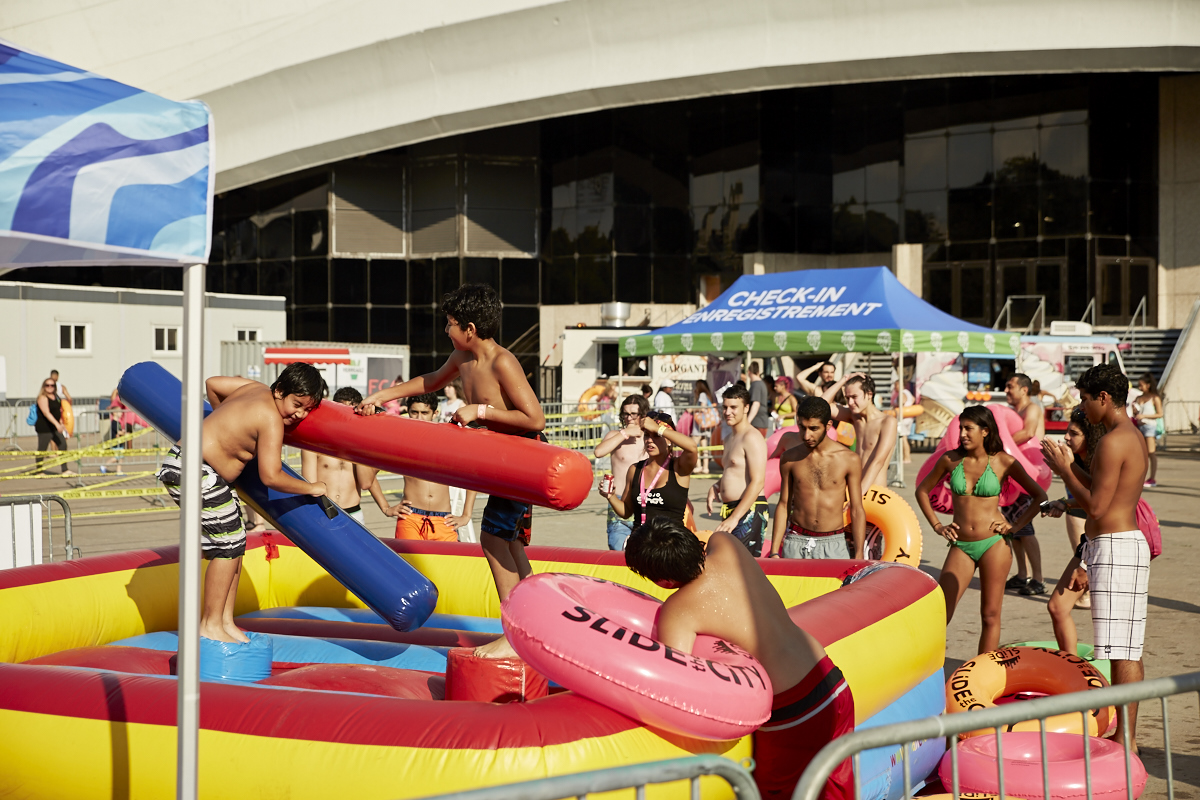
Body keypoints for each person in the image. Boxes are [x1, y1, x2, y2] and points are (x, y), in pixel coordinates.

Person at [356, 284, 545, 658]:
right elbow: (431, 380)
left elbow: (534, 418)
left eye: (450, 323)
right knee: (508, 542)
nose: (446, 330)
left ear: (470, 329)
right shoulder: (462, 357)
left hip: (521, 458)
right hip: (500, 461)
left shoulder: (502, 362)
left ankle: (516, 633)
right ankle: (536, 623)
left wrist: (480, 411)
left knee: (493, 540)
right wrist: (382, 396)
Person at [624, 518, 855, 800]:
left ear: (664, 581)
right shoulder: (727, 545)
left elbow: (677, 684)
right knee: (838, 790)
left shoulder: (677, 612)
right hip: (831, 679)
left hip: (794, 711)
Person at [157, 362, 327, 644]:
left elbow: (212, 383)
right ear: (280, 390)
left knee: (235, 544)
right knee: (227, 546)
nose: (299, 414)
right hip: (196, 469)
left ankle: (225, 620)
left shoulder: (253, 388)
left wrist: (225, 422)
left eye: (307, 410)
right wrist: (311, 487)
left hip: (191, 464)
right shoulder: (271, 419)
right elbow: (271, 476)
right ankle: (210, 623)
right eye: (297, 404)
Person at [1041, 362, 1149, 751]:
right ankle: (1126, 735)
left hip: (1115, 546)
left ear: (1104, 397)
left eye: (1086, 399)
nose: (1083, 408)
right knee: (1125, 648)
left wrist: (1064, 469)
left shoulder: (1112, 441)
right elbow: (1102, 490)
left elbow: (1098, 507)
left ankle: (1127, 737)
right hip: (1120, 544)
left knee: (1122, 651)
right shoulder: (1129, 436)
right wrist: (1071, 470)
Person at [916, 405, 1046, 654]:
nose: (962, 434)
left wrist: (1015, 526)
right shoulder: (950, 459)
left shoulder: (1004, 461)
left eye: (969, 428)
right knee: (940, 611)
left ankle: (983, 669)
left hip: (994, 544)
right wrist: (937, 526)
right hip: (961, 545)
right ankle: (926, 666)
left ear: (985, 431)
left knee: (990, 614)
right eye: (960, 428)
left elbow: (1040, 496)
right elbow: (922, 490)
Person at [1043, 407, 1107, 652]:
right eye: (1067, 432)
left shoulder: (1102, 462)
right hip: (1090, 541)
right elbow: (1089, 498)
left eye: (1074, 433)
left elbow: (1100, 508)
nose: (1066, 437)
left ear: (1090, 437)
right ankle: (1071, 666)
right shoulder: (1080, 460)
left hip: (1107, 542)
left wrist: (1085, 565)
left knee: (1106, 621)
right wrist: (1065, 503)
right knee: (1057, 607)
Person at [770, 396, 865, 560]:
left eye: (813, 428)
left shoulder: (849, 459)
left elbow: (856, 509)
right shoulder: (789, 458)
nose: (806, 435)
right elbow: (783, 504)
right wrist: (774, 551)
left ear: (828, 425)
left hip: (833, 544)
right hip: (796, 541)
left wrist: (859, 553)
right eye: (802, 427)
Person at [378, 392, 478, 540]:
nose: (419, 418)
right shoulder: (401, 442)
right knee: (408, 558)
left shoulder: (448, 441)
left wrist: (466, 515)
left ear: (435, 413)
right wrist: (385, 508)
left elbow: (473, 472)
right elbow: (367, 475)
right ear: (408, 412)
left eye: (424, 413)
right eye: (414, 412)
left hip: (444, 520)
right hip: (410, 519)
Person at [300, 387, 400, 525]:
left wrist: (385, 508)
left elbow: (366, 482)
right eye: (343, 413)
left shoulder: (363, 445)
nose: (347, 419)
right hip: (322, 511)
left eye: (353, 415)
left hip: (353, 514)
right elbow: (309, 486)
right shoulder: (315, 443)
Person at [600, 410, 698, 532]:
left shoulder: (679, 467)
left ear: (669, 440)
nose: (650, 440)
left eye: (656, 436)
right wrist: (611, 496)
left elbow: (692, 447)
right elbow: (626, 512)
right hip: (641, 541)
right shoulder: (635, 469)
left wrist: (658, 428)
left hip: (671, 542)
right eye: (647, 435)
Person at [706, 384, 769, 554]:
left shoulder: (752, 437)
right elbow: (734, 471)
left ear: (746, 408)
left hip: (749, 509)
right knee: (728, 561)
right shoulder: (728, 438)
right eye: (725, 407)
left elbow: (758, 481)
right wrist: (717, 485)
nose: (728, 412)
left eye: (734, 407)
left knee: (742, 564)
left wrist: (735, 518)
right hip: (732, 509)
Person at [1003, 372, 1046, 596]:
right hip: (1013, 476)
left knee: (1026, 529)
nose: (1006, 390)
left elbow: (1028, 433)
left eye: (1010, 386)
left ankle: (1038, 579)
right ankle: (1022, 574)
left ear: (1024, 389)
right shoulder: (1012, 412)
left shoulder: (1032, 409)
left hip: (1029, 476)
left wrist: (997, 446)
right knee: (1014, 529)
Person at [822, 373, 897, 492]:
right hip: (856, 487)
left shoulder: (887, 422)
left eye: (854, 397)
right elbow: (821, 405)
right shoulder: (854, 418)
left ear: (869, 394)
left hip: (875, 491)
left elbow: (878, 461)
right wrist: (844, 379)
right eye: (847, 398)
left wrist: (859, 494)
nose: (850, 402)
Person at [593, 394, 650, 550]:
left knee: (647, 551)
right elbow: (598, 452)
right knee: (617, 547)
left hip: (645, 500)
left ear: (643, 414)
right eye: (626, 414)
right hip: (619, 499)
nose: (629, 418)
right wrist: (625, 434)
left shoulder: (650, 439)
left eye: (634, 414)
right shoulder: (615, 435)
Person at [34, 375, 75, 476]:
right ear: (44, 386)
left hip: (55, 426)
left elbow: (58, 412)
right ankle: (39, 471)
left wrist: (61, 423)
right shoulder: (42, 397)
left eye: (52, 385)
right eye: (47, 385)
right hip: (44, 427)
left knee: (63, 444)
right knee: (42, 449)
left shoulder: (56, 397)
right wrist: (57, 425)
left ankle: (65, 470)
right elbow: (46, 413)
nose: (50, 387)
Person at [1130, 372, 1162, 488]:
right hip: (1139, 426)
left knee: (1151, 452)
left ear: (1148, 385)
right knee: (1141, 454)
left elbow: (1160, 414)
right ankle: (1140, 477)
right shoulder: (1138, 398)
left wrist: (1144, 416)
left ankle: (1152, 478)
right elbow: (1136, 414)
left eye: (1141, 385)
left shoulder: (1154, 398)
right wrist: (1135, 412)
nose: (1139, 387)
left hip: (1149, 426)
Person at [691, 379, 719, 473]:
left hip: (700, 426)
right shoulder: (707, 395)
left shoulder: (702, 395)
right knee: (704, 447)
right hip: (705, 425)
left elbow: (702, 408)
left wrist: (692, 409)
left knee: (693, 445)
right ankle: (705, 467)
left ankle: (699, 466)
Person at [891, 378, 915, 464]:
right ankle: (906, 456)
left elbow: (901, 402)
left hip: (903, 419)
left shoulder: (902, 393)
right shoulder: (908, 392)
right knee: (904, 438)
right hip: (908, 418)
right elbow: (913, 399)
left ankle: (906, 457)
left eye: (896, 385)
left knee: (903, 437)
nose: (895, 387)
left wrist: (896, 406)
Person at [746, 362, 770, 436]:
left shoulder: (756, 385)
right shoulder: (760, 383)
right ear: (758, 372)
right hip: (760, 422)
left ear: (749, 372)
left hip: (757, 422)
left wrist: (747, 421)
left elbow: (756, 404)